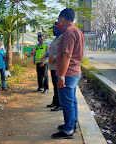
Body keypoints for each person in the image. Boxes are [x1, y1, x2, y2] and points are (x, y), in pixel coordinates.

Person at [51, 8, 84, 139]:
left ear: (62, 19)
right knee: (72, 100)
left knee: (67, 102)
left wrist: (61, 76)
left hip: (68, 73)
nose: (58, 22)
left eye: (59, 19)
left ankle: (68, 130)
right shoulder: (78, 31)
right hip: (75, 71)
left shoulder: (68, 33)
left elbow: (67, 56)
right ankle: (72, 123)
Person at [42, 22, 62, 111]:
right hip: (53, 67)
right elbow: (51, 51)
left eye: (54, 29)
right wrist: (45, 56)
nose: (53, 31)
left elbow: (63, 52)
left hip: (58, 67)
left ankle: (59, 104)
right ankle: (55, 101)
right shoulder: (56, 39)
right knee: (55, 85)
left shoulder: (62, 39)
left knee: (58, 86)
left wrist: (54, 57)